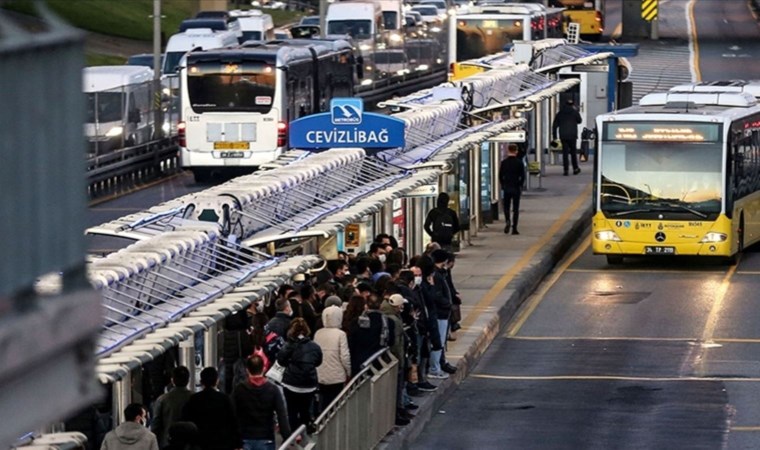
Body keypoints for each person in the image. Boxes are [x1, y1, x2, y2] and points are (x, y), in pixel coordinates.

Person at [232, 355, 292, 450]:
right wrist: (288, 438)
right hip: (266, 438)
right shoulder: (273, 390)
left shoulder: (239, 390)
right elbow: (282, 416)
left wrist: (234, 441)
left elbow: (233, 415)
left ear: (247, 370)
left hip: (245, 438)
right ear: (263, 369)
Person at [277, 318, 323, 433]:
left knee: (292, 411)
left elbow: (280, 361)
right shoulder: (315, 347)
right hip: (309, 384)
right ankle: (306, 431)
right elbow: (318, 362)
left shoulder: (288, 346)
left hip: (291, 383)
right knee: (305, 410)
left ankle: (293, 435)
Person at [182, 367, 241, 450]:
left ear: (201, 382)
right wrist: (237, 443)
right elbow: (233, 421)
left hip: (200, 443)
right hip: (222, 443)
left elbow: (187, 421)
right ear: (217, 381)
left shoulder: (194, 399)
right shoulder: (224, 399)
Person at [313, 305, 351, 412]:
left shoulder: (318, 333)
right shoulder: (341, 334)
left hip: (320, 374)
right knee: (334, 403)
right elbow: (345, 356)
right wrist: (349, 371)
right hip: (337, 375)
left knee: (322, 400)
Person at [151, 366, 193, 448]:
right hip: (189, 443)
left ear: (172, 380)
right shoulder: (195, 397)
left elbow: (156, 425)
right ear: (188, 380)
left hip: (167, 443)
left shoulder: (162, 399)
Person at [498, 143, 525, 235]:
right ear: (516, 151)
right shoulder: (519, 162)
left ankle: (507, 221)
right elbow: (523, 176)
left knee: (506, 207)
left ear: (508, 150)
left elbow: (500, 176)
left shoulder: (504, 163)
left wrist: (503, 185)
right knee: (515, 208)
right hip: (516, 187)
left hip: (507, 187)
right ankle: (514, 228)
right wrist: (520, 185)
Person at [552, 99, 583, 176]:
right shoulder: (574, 112)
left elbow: (555, 126)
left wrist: (555, 136)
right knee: (573, 153)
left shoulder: (560, 113)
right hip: (572, 135)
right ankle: (575, 168)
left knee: (565, 153)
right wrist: (576, 111)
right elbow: (579, 121)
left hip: (563, 136)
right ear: (572, 105)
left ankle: (566, 170)